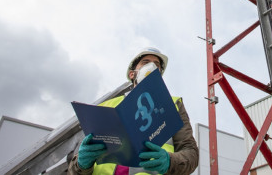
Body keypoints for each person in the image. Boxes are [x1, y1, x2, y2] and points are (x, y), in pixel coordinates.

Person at [69, 47, 199, 175]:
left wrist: (170, 161)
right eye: (146, 62)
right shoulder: (104, 107)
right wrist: (81, 165)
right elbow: (75, 167)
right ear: (132, 73)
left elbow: (191, 153)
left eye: (157, 65)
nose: (152, 66)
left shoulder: (173, 105)